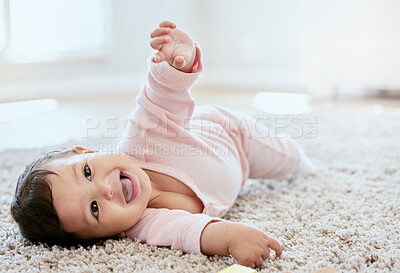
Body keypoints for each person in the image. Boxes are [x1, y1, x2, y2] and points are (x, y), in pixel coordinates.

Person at [11, 21, 315, 268]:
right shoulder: (143, 224)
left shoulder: (139, 140)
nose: (105, 190)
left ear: (88, 152)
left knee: (290, 159)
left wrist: (173, 63)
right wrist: (231, 235)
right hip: (234, 175)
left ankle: (307, 160)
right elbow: (188, 232)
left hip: (232, 134)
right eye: (94, 209)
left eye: (88, 173)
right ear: (107, 234)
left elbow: (158, 98)